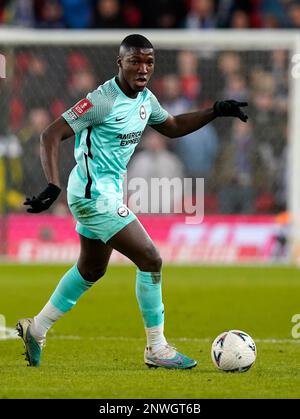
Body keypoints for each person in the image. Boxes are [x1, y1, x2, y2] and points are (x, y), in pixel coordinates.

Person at [16, 34, 248, 369]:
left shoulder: (146, 99)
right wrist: (52, 185)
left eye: (149, 62)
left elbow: (171, 126)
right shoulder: (101, 101)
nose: (143, 68)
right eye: (135, 61)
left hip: (106, 193)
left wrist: (214, 111)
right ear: (120, 63)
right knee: (151, 259)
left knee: (91, 269)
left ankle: (36, 329)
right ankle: (157, 347)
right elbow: (50, 134)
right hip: (92, 195)